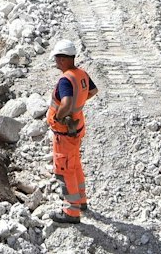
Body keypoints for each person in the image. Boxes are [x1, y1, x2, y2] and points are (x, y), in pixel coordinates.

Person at [46, 38, 98, 225]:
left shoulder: (65, 80)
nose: (56, 62)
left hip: (65, 133)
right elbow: (93, 91)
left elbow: (66, 103)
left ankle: (71, 211)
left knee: (64, 169)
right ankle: (81, 202)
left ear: (63, 59)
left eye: (57, 58)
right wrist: (78, 107)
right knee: (74, 165)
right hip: (77, 128)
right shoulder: (81, 74)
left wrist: (60, 117)